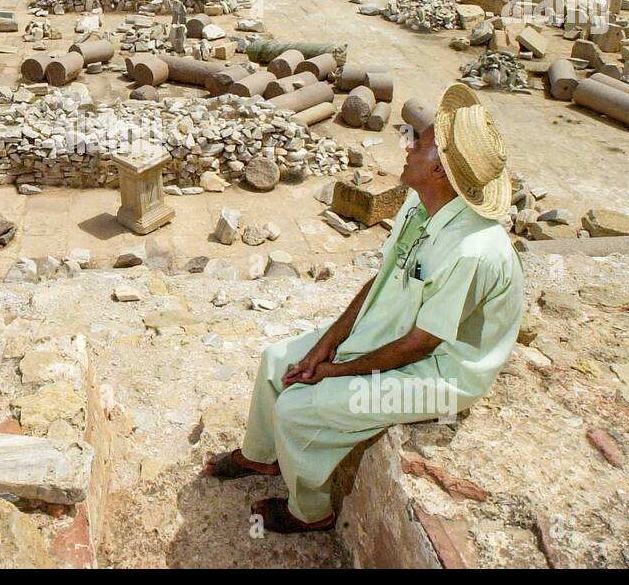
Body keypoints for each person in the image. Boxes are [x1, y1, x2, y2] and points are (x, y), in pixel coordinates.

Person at [203, 82, 524, 533]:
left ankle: (310, 513)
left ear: (441, 171)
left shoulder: (472, 250)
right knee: (278, 361)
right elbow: (383, 277)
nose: (409, 146)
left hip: (440, 373)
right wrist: (327, 345)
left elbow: (420, 344)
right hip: (394, 328)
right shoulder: (420, 203)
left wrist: (336, 372)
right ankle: (260, 458)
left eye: (422, 143)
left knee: (298, 409)